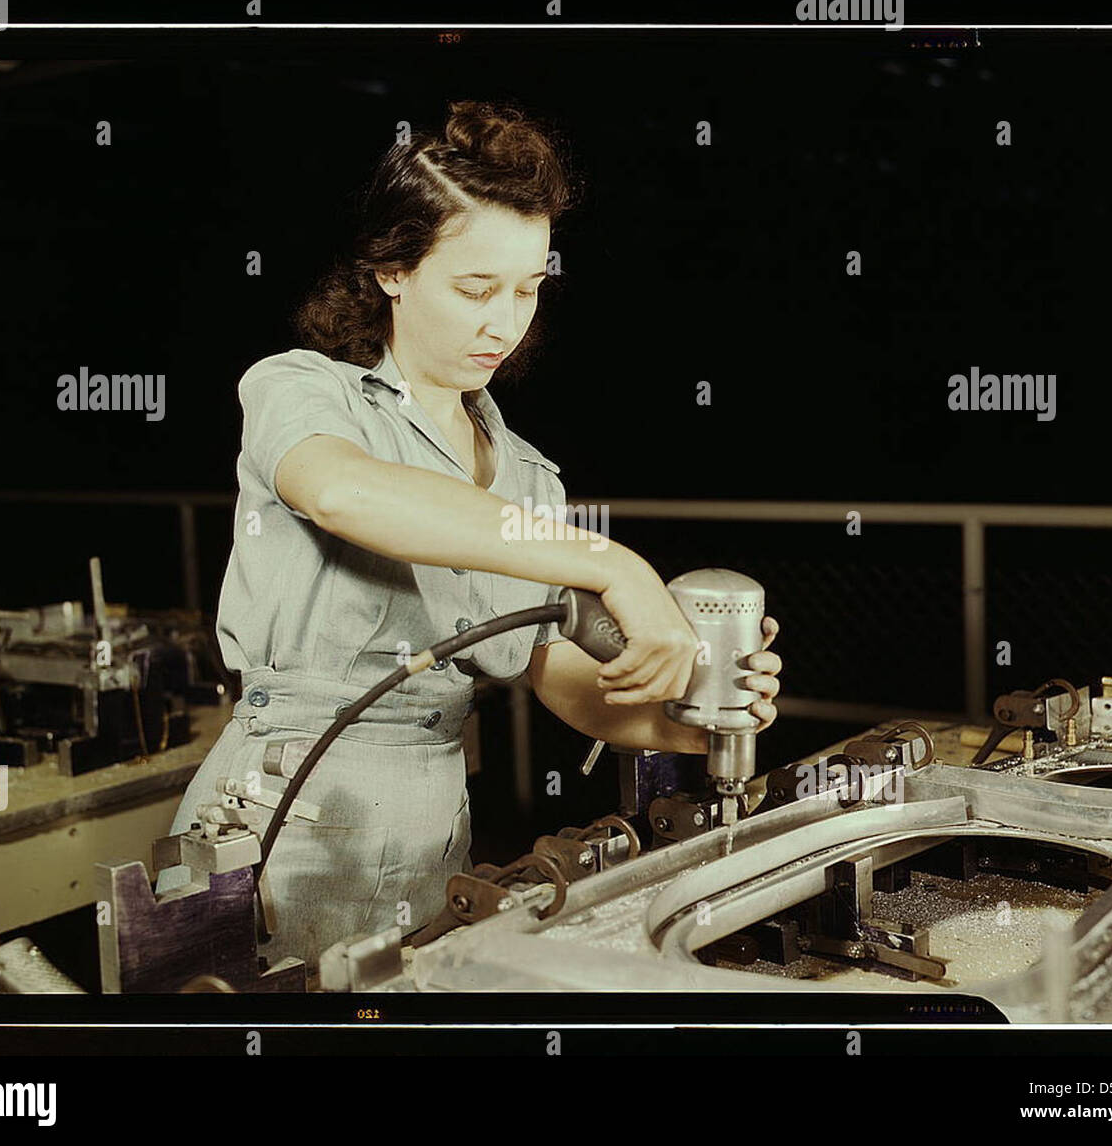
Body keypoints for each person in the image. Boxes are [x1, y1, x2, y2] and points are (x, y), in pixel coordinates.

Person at [156, 100, 782, 975]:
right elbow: (340, 491)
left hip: (433, 838)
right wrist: (610, 563)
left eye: (528, 289)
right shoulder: (304, 392)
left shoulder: (526, 477)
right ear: (391, 271)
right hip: (282, 819)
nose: (506, 321)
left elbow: (559, 678)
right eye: (475, 289)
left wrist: (687, 712)